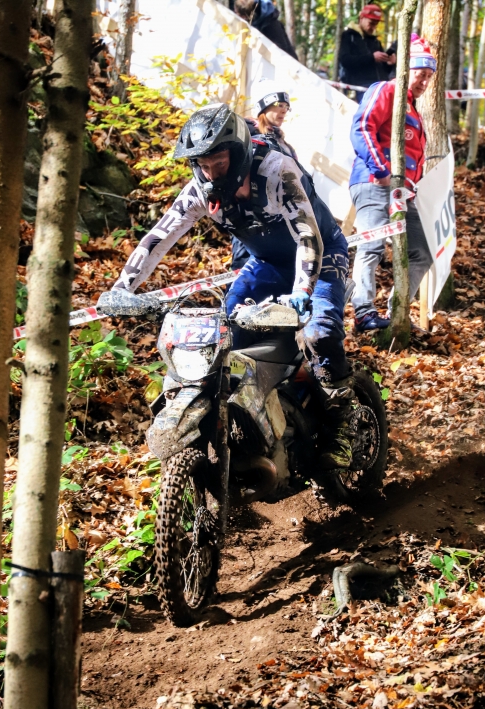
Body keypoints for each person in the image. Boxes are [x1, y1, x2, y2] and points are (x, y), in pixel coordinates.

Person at [106, 104, 354, 469]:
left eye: (219, 163)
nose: (211, 173)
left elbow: (307, 234)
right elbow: (161, 235)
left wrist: (303, 290)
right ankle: (250, 417)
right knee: (224, 333)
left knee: (319, 332)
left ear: (238, 153)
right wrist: (123, 286)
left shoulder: (276, 171)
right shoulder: (200, 190)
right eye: (202, 165)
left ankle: (341, 424)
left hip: (321, 252)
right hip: (267, 262)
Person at [348, 34, 435, 332]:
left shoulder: (413, 109)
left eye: (429, 76)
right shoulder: (386, 90)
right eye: (420, 73)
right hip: (374, 182)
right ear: (406, 69)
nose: (424, 81)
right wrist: (381, 170)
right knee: (371, 245)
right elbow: (362, 127)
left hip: (402, 193)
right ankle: (363, 312)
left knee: (422, 251)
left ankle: (397, 312)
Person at [231, 82, 297, 271]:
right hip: (247, 211)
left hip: (278, 214)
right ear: (263, 107)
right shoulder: (244, 131)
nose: (283, 110)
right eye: (279, 105)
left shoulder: (284, 144)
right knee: (243, 263)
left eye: (286, 107)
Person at [338, 4, 396, 102]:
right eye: (371, 23)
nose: (373, 27)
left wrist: (389, 63)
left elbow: (382, 70)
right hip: (357, 88)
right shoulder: (349, 36)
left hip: (377, 89)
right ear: (361, 18)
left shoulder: (375, 41)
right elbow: (345, 60)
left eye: (376, 24)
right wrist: (371, 58)